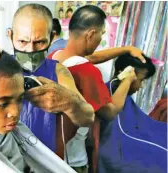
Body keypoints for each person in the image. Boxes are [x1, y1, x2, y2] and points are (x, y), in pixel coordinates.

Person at [0, 3, 95, 161]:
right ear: (10, 35)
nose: (30, 50)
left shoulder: (58, 71)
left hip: (42, 158)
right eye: (22, 42)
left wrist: (70, 103)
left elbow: (88, 117)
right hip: (2, 157)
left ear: (52, 37)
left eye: (39, 42)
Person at [51, 5, 146, 173]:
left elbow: (91, 57)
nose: (100, 39)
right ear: (90, 35)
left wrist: (126, 49)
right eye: (101, 34)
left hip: (49, 147)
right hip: (71, 159)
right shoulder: (87, 72)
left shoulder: (56, 55)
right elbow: (110, 112)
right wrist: (129, 78)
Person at [99, 54, 167, 173]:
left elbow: (144, 125)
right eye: (141, 80)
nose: (140, 86)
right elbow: (120, 134)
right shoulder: (109, 94)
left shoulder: (124, 96)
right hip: (117, 151)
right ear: (126, 73)